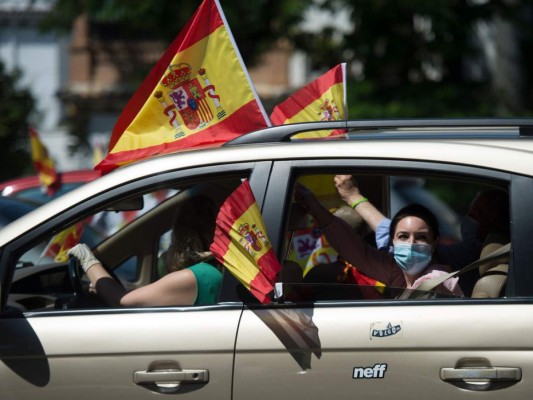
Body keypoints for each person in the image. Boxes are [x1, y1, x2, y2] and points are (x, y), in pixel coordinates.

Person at [334, 175, 510, 295]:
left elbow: (390, 233)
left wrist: (353, 197)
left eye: (475, 215)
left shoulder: (445, 273)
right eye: (403, 237)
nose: (411, 244)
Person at [294, 183, 463, 296]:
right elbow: (353, 248)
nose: (411, 244)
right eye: (403, 236)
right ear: (393, 242)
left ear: (434, 244)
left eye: (421, 237)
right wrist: (315, 208)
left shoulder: (438, 281)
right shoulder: (396, 273)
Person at [67, 196, 223, 307]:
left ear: (183, 235)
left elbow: (121, 301)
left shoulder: (195, 277)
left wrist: (86, 259)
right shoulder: (213, 270)